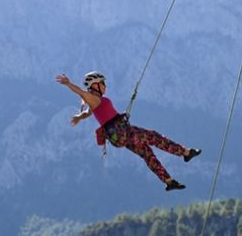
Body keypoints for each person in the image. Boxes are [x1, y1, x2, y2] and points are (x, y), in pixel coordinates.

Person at [55, 71, 201, 191]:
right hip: (121, 132)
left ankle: (169, 181)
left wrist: (79, 117)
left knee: (147, 153)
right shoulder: (93, 98)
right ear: (96, 85)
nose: (105, 86)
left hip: (118, 136)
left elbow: (88, 113)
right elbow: (81, 93)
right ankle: (186, 153)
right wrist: (68, 84)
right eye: (103, 83)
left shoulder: (96, 100)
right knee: (154, 137)